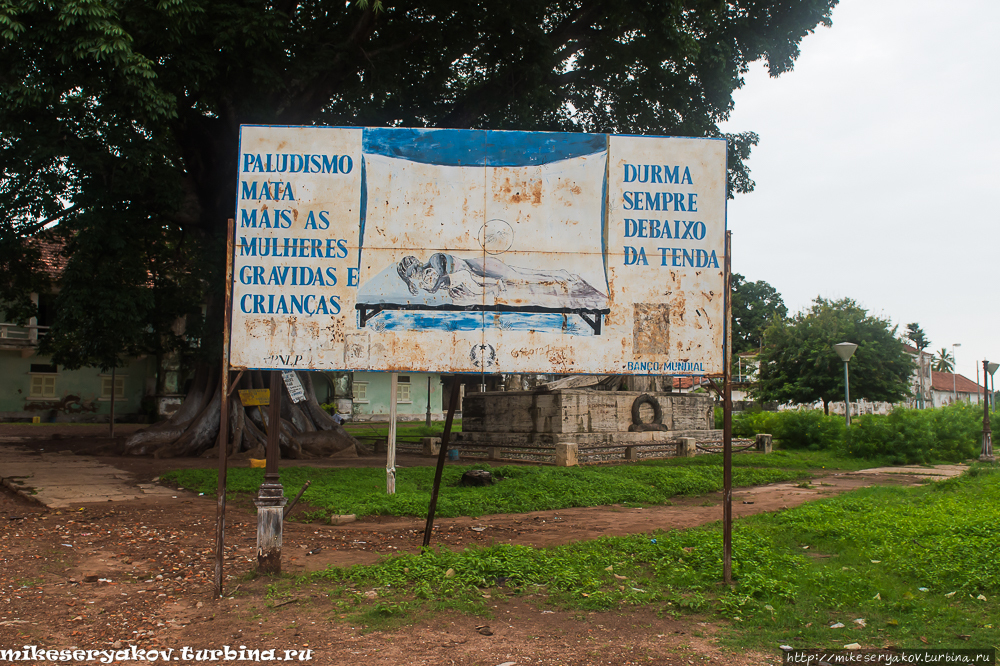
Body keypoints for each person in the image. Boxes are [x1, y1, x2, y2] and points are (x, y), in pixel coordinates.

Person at [396, 253, 577, 299]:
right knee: (517, 276)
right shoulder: (430, 275)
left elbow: (444, 277)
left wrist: (434, 287)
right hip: (478, 275)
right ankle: (558, 276)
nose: (416, 275)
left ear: (416, 263)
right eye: (411, 275)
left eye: (413, 270)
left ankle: (559, 276)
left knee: (516, 275)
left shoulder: (434, 260)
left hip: (479, 266)